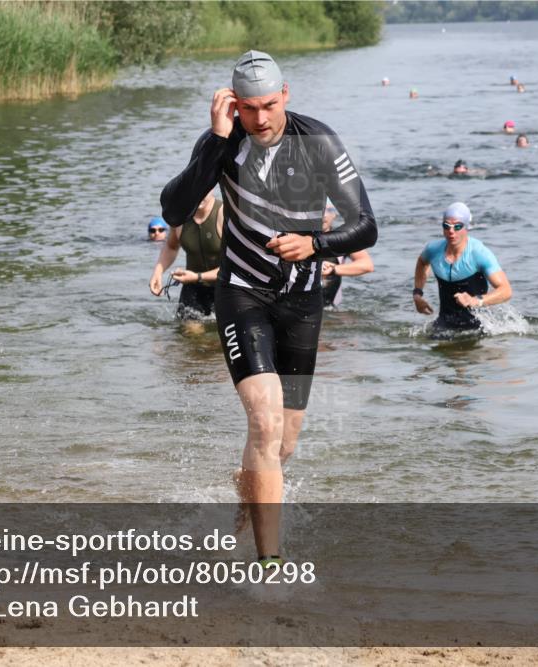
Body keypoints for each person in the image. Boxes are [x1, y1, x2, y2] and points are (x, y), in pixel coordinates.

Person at [160, 50, 377, 565]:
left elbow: (365, 224)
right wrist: (215, 139)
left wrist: (316, 246)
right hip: (241, 293)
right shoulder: (224, 142)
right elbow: (173, 208)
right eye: (247, 109)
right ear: (232, 104)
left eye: (267, 106)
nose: (258, 119)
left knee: (285, 441)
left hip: (303, 301)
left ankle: (243, 511)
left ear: (286, 95)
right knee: (263, 423)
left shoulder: (318, 142)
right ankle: (269, 562)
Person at [413, 202, 512, 333]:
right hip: (444, 324)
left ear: (467, 227)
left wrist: (475, 300)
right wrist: (417, 295)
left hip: (477, 327)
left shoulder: (479, 253)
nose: (451, 232)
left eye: (457, 226)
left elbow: (506, 291)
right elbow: (422, 262)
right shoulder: (433, 250)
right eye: (446, 226)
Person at [149, 191, 224, 326]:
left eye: (204, 188)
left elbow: (233, 268)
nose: (199, 194)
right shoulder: (180, 217)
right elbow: (171, 247)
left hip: (224, 289)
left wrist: (197, 276)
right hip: (192, 289)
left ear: (212, 187)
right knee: (191, 334)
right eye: (195, 188)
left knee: (217, 342)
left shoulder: (224, 214)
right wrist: (158, 272)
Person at [319, 204, 374, 307]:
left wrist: (334, 269)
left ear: (334, 214)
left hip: (330, 309)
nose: (323, 215)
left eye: (328, 210)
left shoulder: (342, 237)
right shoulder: (297, 237)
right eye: (319, 209)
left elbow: (367, 265)